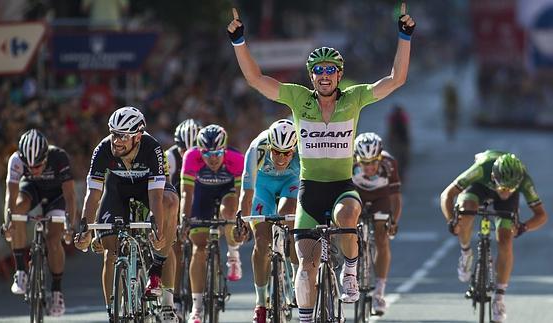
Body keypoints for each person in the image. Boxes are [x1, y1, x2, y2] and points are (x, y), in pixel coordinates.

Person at [227, 3, 414, 322]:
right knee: (305, 264)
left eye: (330, 70)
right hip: (309, 191)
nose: (324, 75)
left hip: (342, 187)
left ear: (339, 75)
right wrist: (239, 42)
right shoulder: (299, 98)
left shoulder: (354, 98)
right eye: (319, 70)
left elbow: (395, 79)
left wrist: (404, 36)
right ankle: (304, 317)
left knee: (346, 215)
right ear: (311, 76)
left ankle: (351, 271)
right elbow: (256, 79)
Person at [74, 107, 180, 322]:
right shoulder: (103, 149)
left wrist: (156, 226)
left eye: (123, 136)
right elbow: (93, 194)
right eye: (113, 134)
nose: (116, 141)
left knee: (170, 203)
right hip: (117, 190)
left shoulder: (152, 148)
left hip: (147, 189)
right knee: (110, 250)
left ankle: (165, 296)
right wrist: (85, 228)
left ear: (138, 136)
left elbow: (156, 197)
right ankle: (112, 312)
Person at [440, 150, 548, 322]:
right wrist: (452, 221)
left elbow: (541, 215)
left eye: (511, 188)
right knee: (466, 214)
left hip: (505, 204)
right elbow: (447, 194)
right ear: (493, 175)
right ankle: (466, 253)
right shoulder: (482, 168)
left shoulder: (523, 179)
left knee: (505, 241)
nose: (505, 191)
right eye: (503, 187)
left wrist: (523, 227)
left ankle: (499, 298)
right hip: (479, 187)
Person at [2, 129, 77, 317]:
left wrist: (70, 225)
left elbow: (70, 196)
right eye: (30, 167)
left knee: (53, 240)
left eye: (38, 166)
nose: (34, 170)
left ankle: (57, 291)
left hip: (56, 195)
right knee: (17, 212)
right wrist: (8, 223)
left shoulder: (59, 157)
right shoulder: (16, 160)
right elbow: (10, 197)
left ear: (46, 156)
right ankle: (21, 271)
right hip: (31, 190)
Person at [180, 124, 245, 323]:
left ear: (224, 149)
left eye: (217, 153)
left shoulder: (236, 159)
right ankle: (197, 308)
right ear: (200, 151)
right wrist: (184, 219)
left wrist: (240, 222)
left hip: (228, 192)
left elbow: (242, 196)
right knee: (198, 247)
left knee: (229, 211)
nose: (213, 158)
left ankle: (233, 256)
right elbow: (186, 193)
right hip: (202, 196)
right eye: (207, 154)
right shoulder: (191, 157)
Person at [239, 119, 300, 323]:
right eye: (276, 152)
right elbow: (247, 193)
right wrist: (244, 222)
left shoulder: (303, 150)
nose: (281, 158)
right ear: (270, 146)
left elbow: (311, 185)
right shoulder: (257, 149)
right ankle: (260, 302)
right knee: (262, 242)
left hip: (289, 184)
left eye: (287, 153)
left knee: (288, 213)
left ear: (294, 149)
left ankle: (294, 275)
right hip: (262, 187)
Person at [351, 132, 402, 315]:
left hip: (381, 198)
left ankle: (379, 292)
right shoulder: (348, 162)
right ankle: (350, 268)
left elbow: (395, 197)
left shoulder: (390, 164)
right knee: (348, 228)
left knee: (381, 237)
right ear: (357, 158)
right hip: (357, 196)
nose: (369, 167)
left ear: (380, 157)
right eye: (364, 163)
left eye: (373, 162)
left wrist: (394, 220)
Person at [165, 118, 201, 315]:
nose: (187, 154)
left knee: (199, 244)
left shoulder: (206, 154)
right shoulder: (169, 157)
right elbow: (167, 191)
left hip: (199, 198)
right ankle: (177, 297)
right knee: (176, 248)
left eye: (192, 149)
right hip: (177, 200)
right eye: (182, 150)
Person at [386, 105, 410, 181]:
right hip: (400, 140)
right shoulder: (401, 117)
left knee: (399, 158)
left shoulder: (395, 118)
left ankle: (399, 175)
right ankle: (400, 175)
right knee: (402, 159)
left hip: (399, 141)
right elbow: (407, 129)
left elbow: (390, 130)